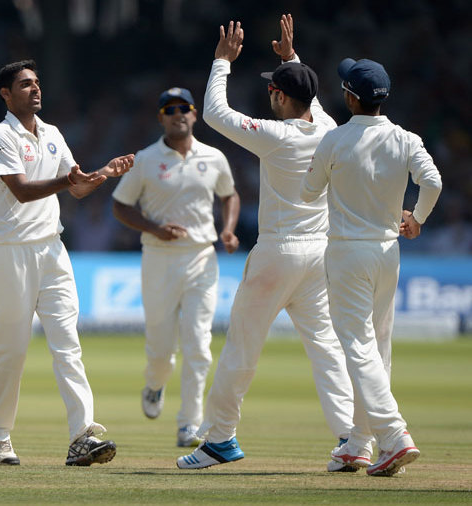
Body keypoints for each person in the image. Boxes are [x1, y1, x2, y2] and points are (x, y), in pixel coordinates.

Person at [177, 15, 355, 470]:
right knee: (327, 349)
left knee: (242, 347)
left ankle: (220, 440)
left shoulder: (277, 136)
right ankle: (353, 440)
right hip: (321, 254)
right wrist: (292, 59)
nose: (268, 96)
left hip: (280, 251)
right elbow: (308, 95)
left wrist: (221, 64)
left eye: (272, 90)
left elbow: (215, 114)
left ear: (278, 94)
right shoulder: (330, 128)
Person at [0, 59, 133, 467]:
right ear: (6, 95)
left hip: (52, 249)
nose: (34, 89)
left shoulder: (53, 134)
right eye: (25, 84)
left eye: (37, 82)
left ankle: (82, 435)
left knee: (68, 344)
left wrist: (101, 175)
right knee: (10, 349)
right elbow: (23, 191)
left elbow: (75, 186)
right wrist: (71, 181)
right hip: (12, 250)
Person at [302, 57, 442, 476]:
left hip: (347, 252)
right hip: (388, 251)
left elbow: (309, 193)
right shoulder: (405, 139)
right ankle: (359, 445)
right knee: (377, 349)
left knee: (360, 349)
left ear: (349, 96)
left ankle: (394, 436)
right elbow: (432, 182)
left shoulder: (335, 141)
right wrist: (416, 218)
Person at [111, 86, 240, 448]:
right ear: (161, 117)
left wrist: (228, 230)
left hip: (202, 256)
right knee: (161, 352)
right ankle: (154, 385)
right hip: (158, 259)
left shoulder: (213, 157)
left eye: (184, 107)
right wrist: (154, 228)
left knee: (199, 345)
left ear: (195, 114)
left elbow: (229, 194)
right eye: (169, 109)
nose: (177, 113)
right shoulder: (146, 159)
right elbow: (120, 205)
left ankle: (189, 424)